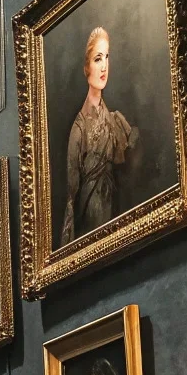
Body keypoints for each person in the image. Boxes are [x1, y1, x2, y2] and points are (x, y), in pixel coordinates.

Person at [60, 26, 139, 247]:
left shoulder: (115, 120)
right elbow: (71, 198)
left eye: (106, 57)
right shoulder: (79, 128)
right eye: (97, 59)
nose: (104, 66)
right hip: (91, 218)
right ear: (86, 67)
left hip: (114, 210)